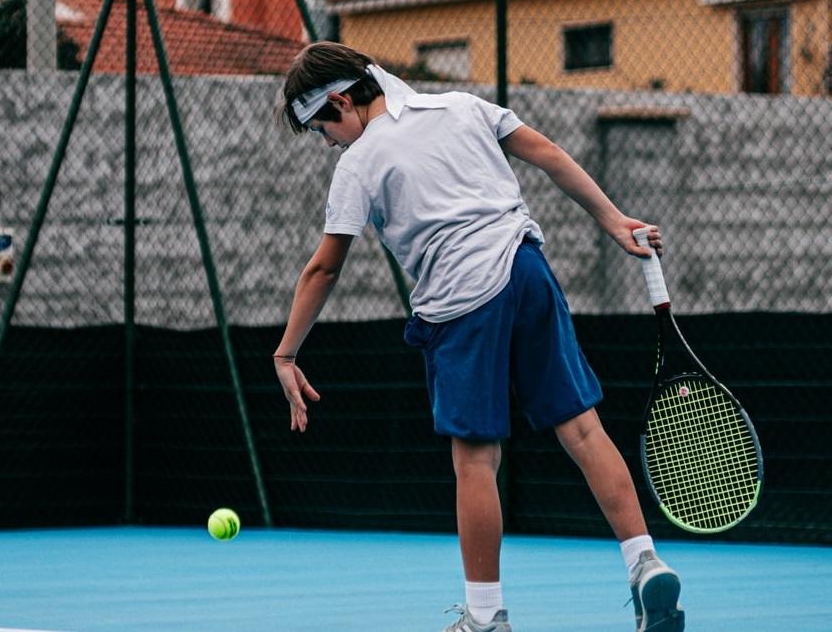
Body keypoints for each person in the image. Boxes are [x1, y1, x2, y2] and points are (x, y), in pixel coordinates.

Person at [271, 41, 684, 632]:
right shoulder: (462, 107)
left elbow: (324, 268)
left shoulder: (357, 164)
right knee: (584, 428)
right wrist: (613, 218)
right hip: (528, 267)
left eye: (321, 127)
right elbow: (545, 151)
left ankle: (486, 617)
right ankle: (644, 561)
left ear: (341, 101)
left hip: (462, 301)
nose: (328, 141)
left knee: (475, 461)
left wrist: (286, 352)